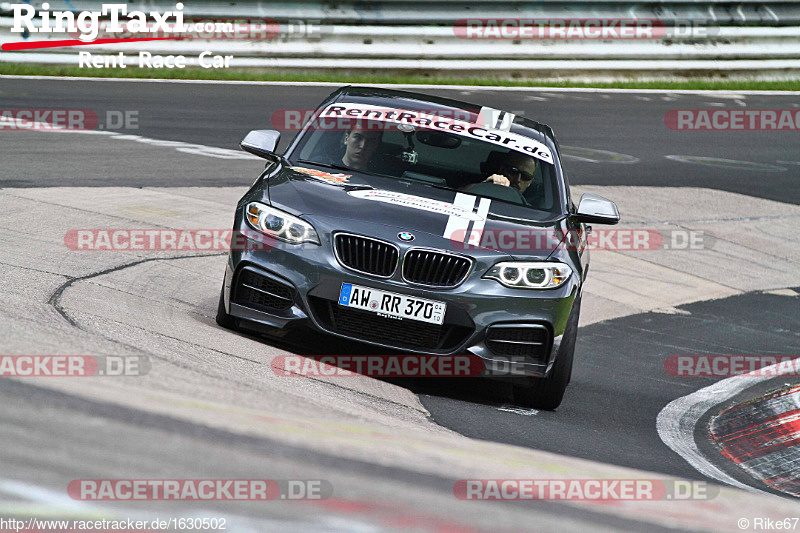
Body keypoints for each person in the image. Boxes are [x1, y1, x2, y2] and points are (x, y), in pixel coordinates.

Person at [464, 150, 537, 194]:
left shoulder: (535, 214)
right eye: (513, 171)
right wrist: (484, 185)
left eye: (526, 176)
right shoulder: (479, 188)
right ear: (502, 169)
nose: (518, 179)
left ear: (530, 181)